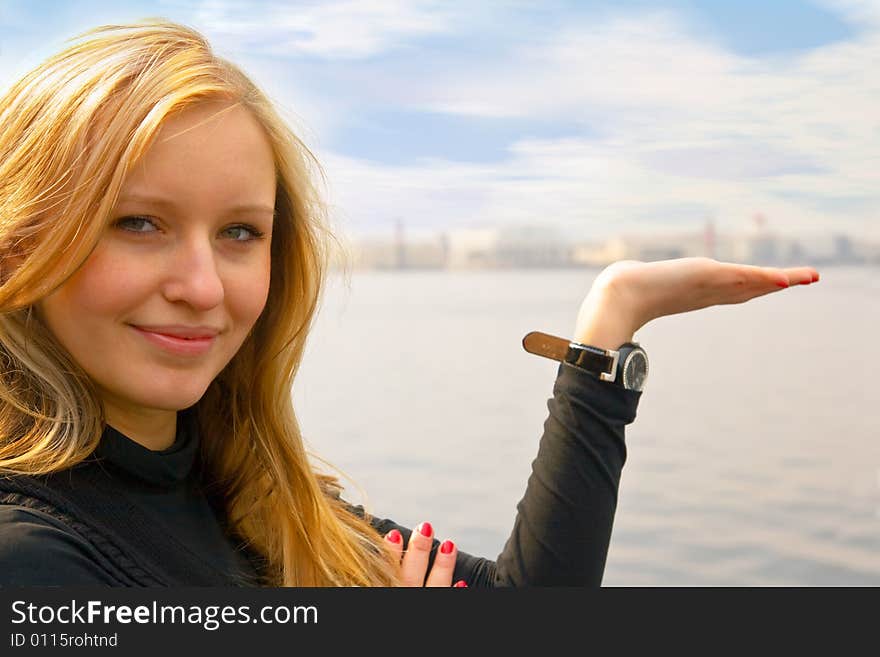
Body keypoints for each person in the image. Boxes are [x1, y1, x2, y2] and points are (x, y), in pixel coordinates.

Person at [0, 19, 819, 587]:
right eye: (140, 223)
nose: (205, 285)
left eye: (241, 233)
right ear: (21, 242)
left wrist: (607, 336)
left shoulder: (260, 492)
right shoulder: (33, 558)